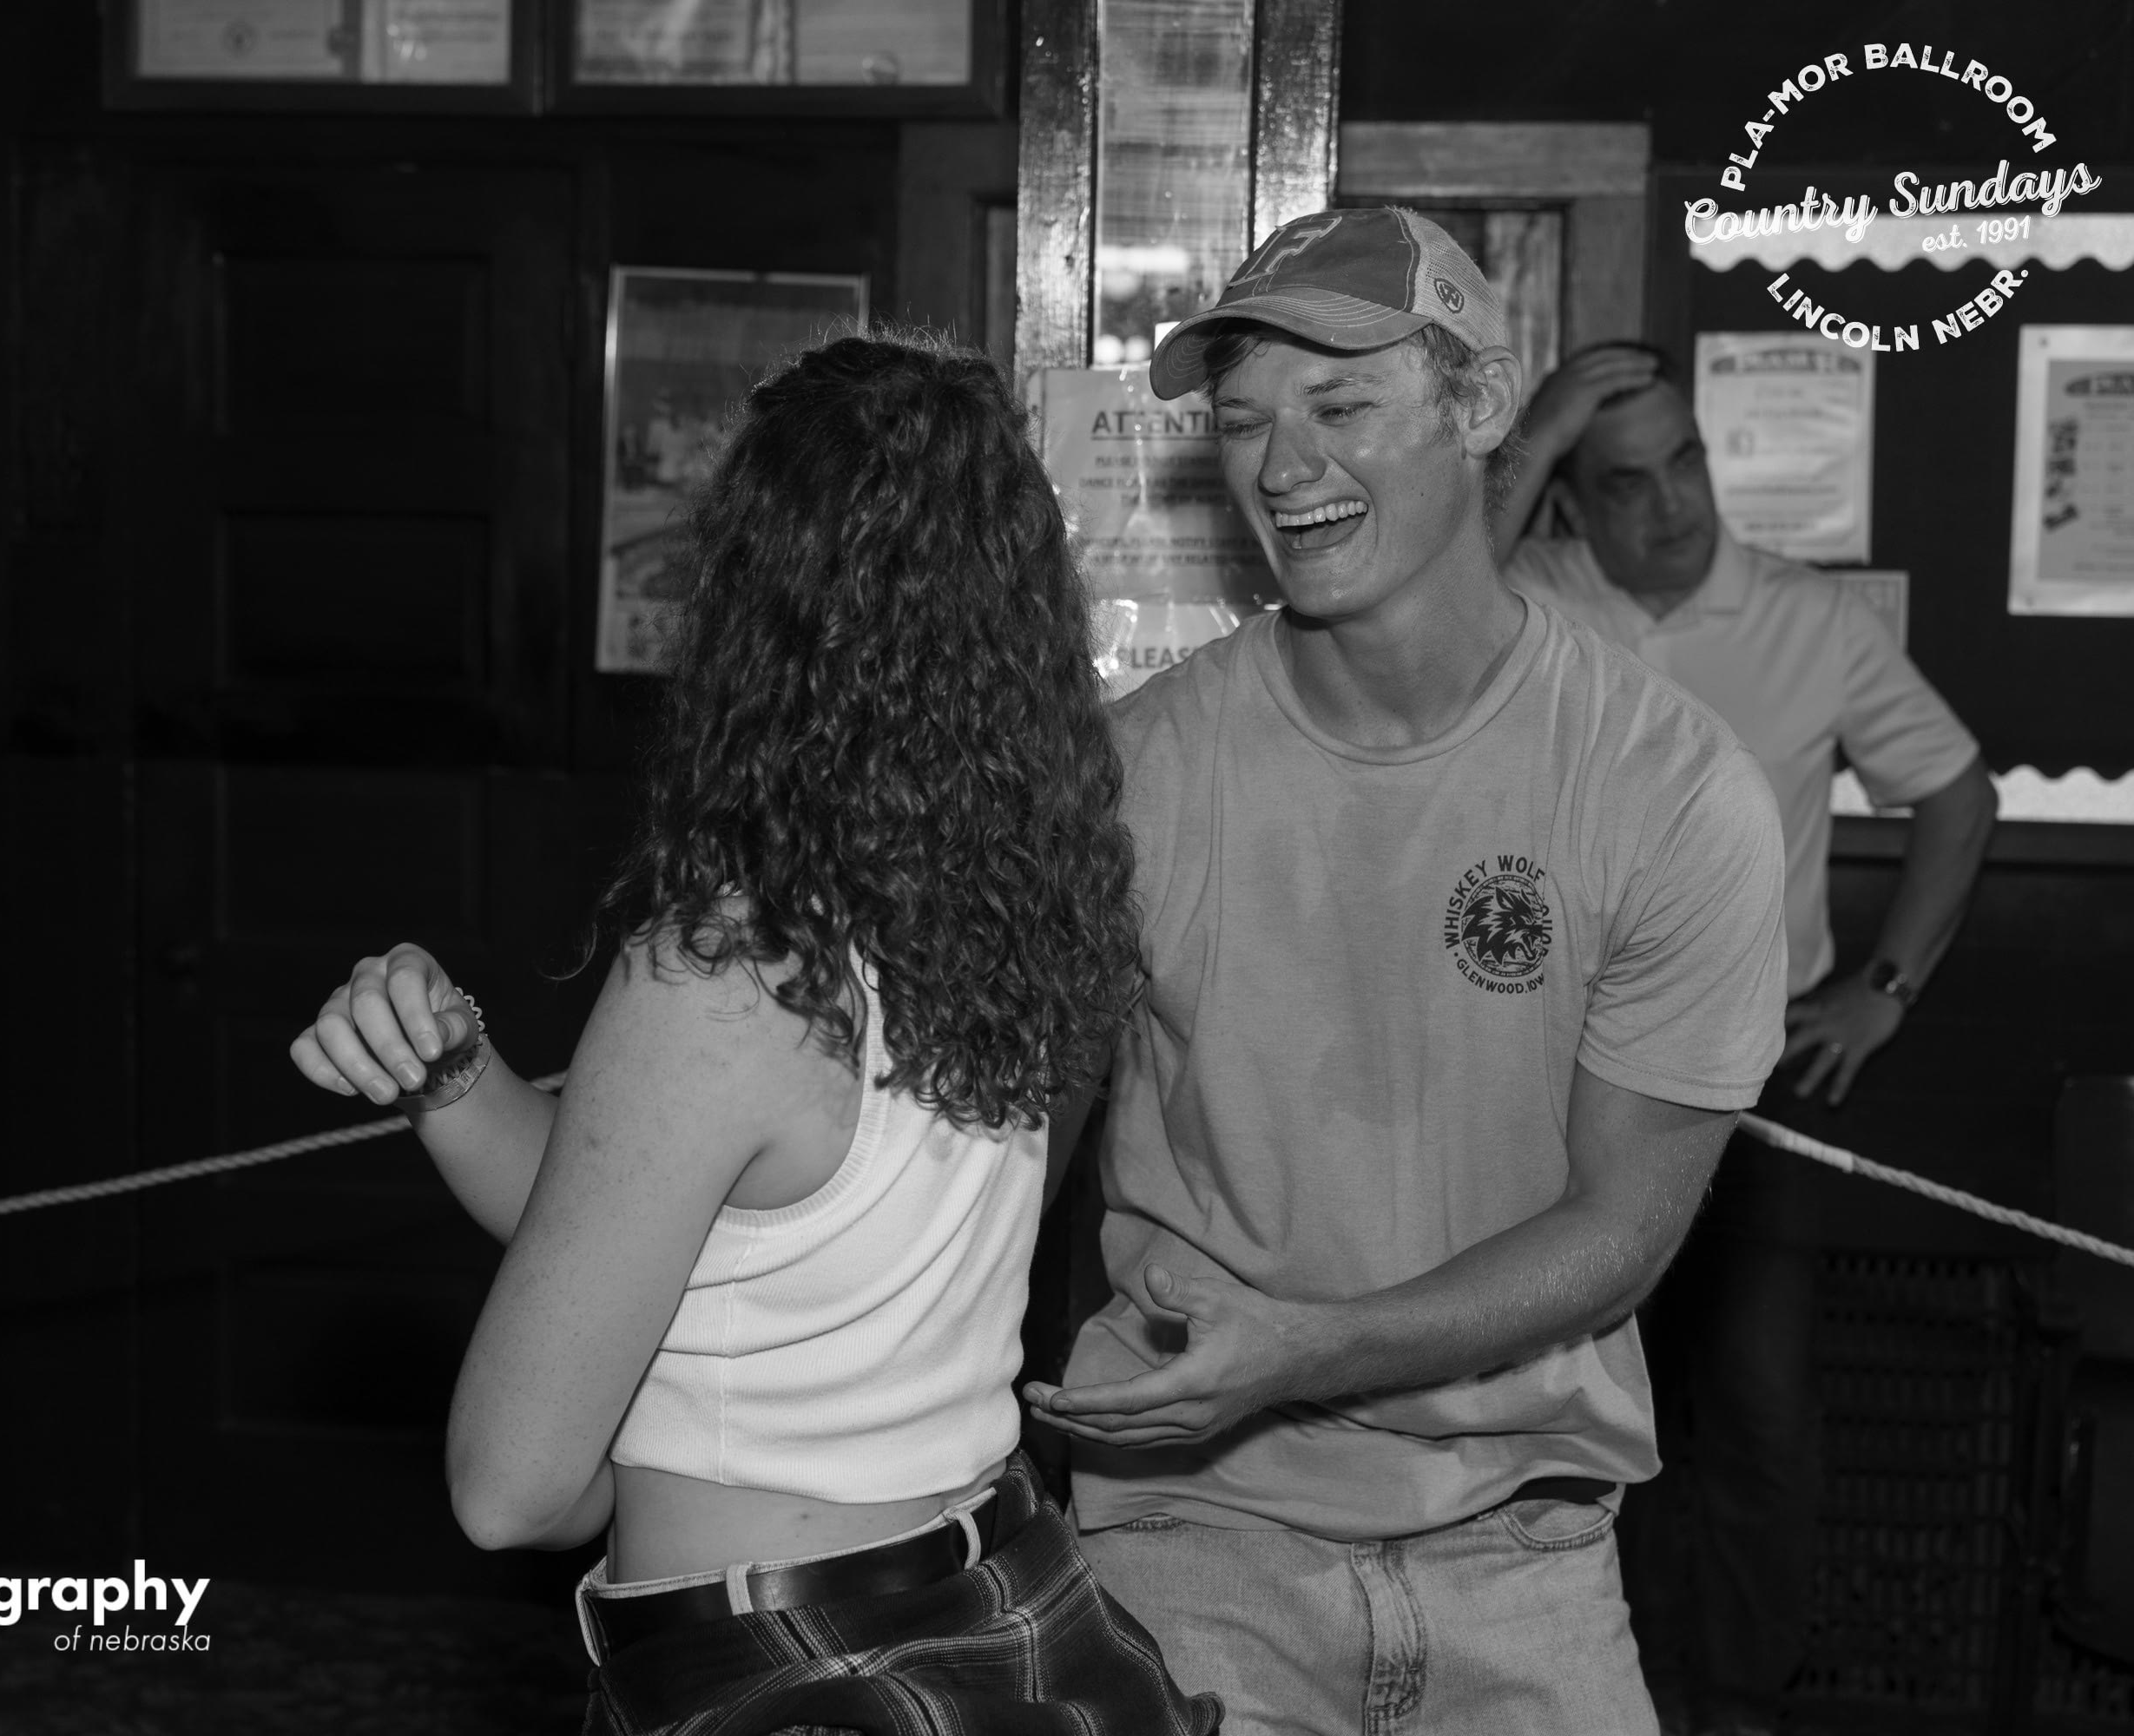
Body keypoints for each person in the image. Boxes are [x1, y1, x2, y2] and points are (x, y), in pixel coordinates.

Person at [289, 332, 1220, 1736]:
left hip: (794, 1668)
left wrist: (612, 1449)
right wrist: (454, 1076)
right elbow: (714, 1239)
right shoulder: (1038, 903)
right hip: (1001, 1607)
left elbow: (512, 1493)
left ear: (752, 610)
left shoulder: (730, 972)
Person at [1016, 206, 1789, 1735]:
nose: (1283, 465)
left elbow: (1621, 1230)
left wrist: (1313, 1349)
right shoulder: (1128, 777)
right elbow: (1003, 1160)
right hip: (1191, 1536)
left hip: (1528, 1549)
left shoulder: (1668, 789)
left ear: (1479, 404)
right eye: (1247, 420)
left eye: (1341, 402)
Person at [1494, 342, 1999, 1736]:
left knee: (1758, 1414)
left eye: (1687, 465)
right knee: (1567, 1405)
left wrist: (1886, 988)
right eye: (1625, 481)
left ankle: (1741, 1705)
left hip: (1756, 1088)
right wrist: (1541, 425)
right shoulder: (1528, 595)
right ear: (1570, 502)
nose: (1671, 505)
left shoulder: (1808, 616)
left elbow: (1960, 798)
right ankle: (1595, 1693)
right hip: (1558, 1084)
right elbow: (1425, 577)